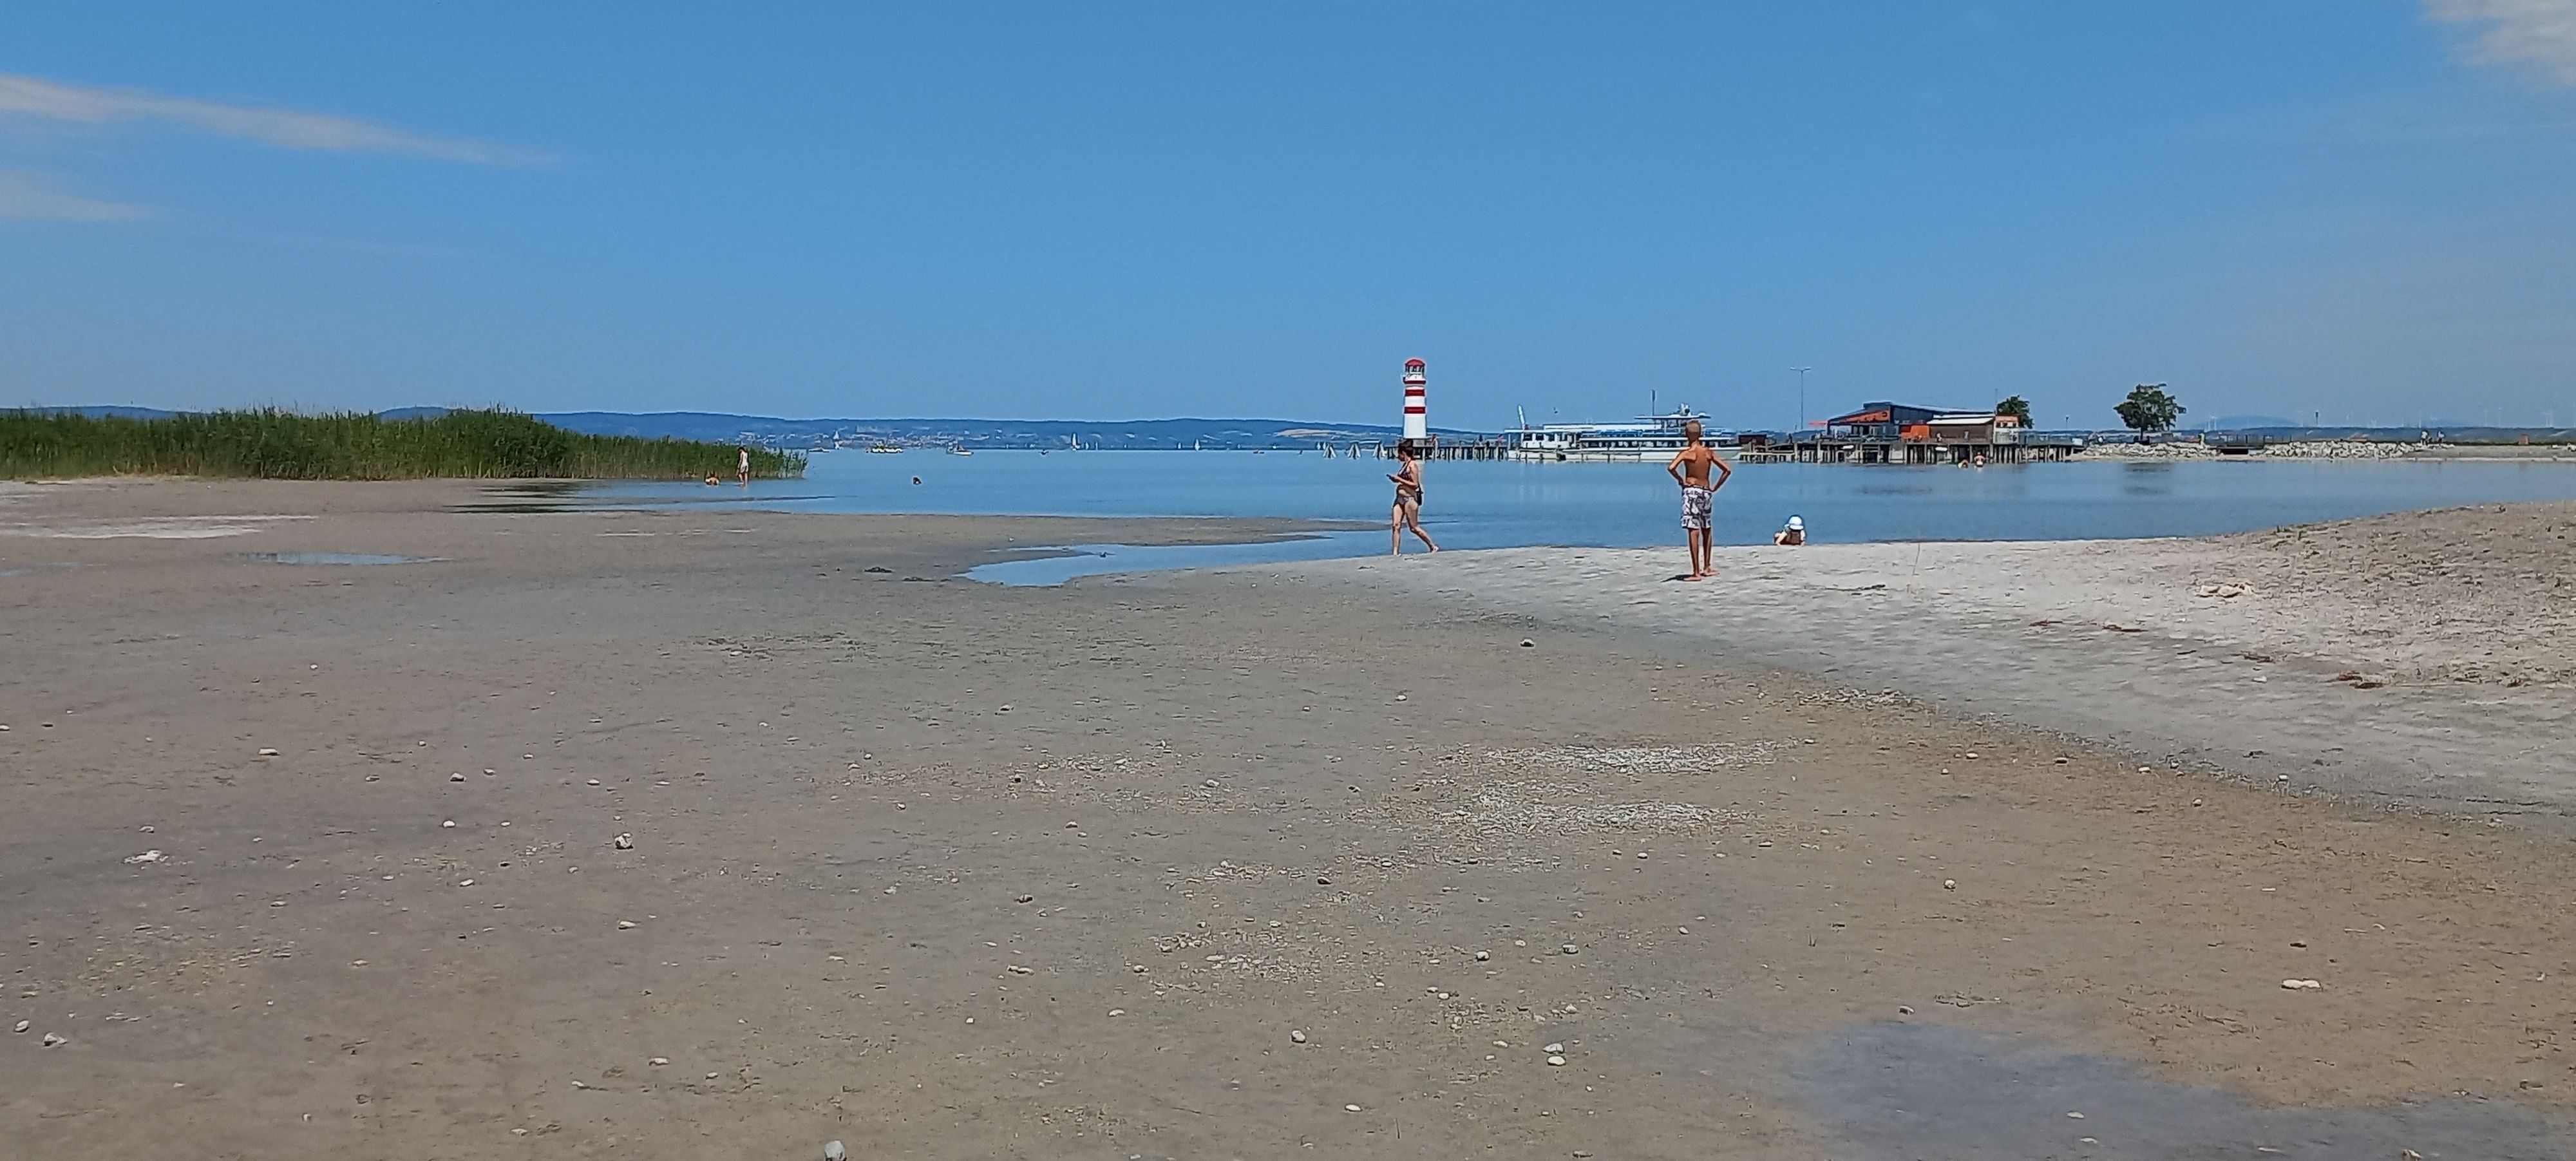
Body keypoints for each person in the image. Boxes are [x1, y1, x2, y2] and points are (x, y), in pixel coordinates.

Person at [1665, 419, 1732, 580]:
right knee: (1706, 528)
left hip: (1692, 491)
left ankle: (1696, 572)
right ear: (1701, 434)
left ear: (1686, 434)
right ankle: (1707, 567)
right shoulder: (1708, 453)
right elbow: (1727, 470)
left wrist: (1681, 481)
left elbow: (1671, 467)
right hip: (1706, 491)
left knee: (1693, 531)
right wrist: (1715, 487)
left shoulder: (1687, 453)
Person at [1388, 440, 1438, 554]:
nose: (1398, 456)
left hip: (1410, 499)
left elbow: (1415, 484)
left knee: (1414, 527)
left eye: (1399, 454)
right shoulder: (1404, 465)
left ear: (1404, 453)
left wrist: (1399, 480)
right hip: (1399, 499)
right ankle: (1395, 552)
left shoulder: (1413, 466)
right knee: (1396, 525)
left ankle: (1432, 546)